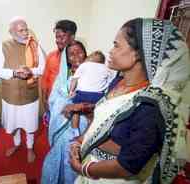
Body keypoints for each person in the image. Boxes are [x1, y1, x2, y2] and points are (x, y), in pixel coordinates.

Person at [68, 18, 190, 184]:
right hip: (91, 164)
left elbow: (128, 165)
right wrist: (78, 142)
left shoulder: (150, 105)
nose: (110, 51)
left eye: (116, 45)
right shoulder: (118, 82)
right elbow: (101, 125)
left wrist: (83, 168)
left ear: (138, 54)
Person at [0, 17, 45, 163]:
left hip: (30, 93)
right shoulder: (4, 45)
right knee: (13, 123)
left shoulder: (34, 45)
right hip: (11, 95)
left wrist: (31, 71)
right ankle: (16, 144)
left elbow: (43, 68)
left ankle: (29, 148)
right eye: (21, 30)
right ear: (11, 32)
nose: (25, 33)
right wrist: (15, 73)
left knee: (29, 124)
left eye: (26, 29)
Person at [41, 41, 90, 184]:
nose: (76, 57)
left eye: (79, 52)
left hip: (84, 129)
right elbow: (54, 101)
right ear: (66, 60)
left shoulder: (95, 77)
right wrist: (67, 104)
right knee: (63, 162)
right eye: (71, 54)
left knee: (79, 163)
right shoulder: (62, 80)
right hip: (64, 130)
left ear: (85, 54)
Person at [69, 50, 116, 128]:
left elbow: (74, 80)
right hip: (98, 96)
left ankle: (75, 130)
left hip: (82, 94)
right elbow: (111, 81)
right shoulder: (106, 68)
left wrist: (71, 91)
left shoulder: (84, 65)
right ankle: (90, 127)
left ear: (89, 58)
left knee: (75, 111)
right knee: (95, 113)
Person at [41, 19, 77, 112]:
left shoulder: (79, 60)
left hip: (68, 108)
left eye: (62, 37)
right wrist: (44, 101)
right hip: (51, 104)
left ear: (72, 37)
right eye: (56, 37)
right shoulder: (51, 56)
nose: (58, 41)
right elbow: (45, 81)